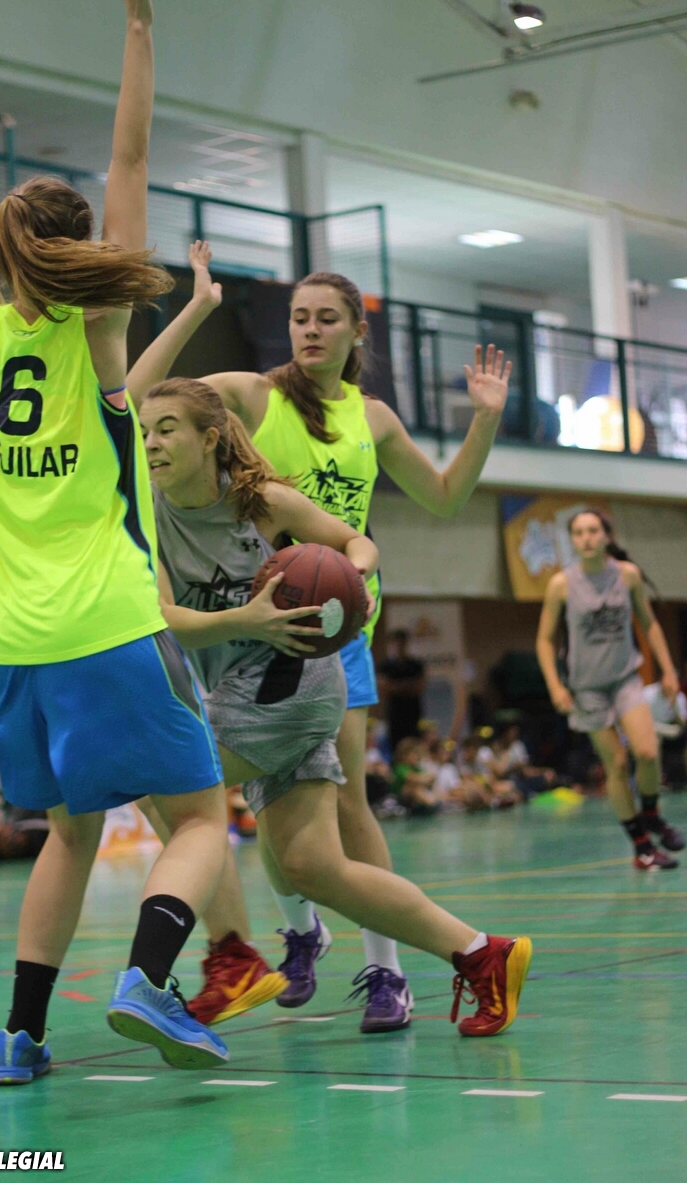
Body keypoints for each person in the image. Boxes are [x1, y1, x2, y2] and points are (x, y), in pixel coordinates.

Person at [0, 0, 232, 1080]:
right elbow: (129, 160)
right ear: (83, 250)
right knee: (201, 818)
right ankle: (147, 976)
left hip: (10, 643)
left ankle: (19, 1036)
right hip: (104, 620)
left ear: (3, 257)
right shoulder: (99, 325)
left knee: (70, 833)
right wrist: (139, 31)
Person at [125, 243, 514, 1031]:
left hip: (325, 634)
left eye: (324, 318)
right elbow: (139, 400)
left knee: (201, 787)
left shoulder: (370, 420)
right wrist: (197, 307)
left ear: (355, 331)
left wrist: (484, 420)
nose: (308, 329)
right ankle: (472, 951)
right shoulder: (254, 397)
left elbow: (442, 499)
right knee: (308, 859)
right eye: (298, 317)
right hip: (256, 642)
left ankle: (289, 962)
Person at [536, 508, 684, 870]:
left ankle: (652, 815)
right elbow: (544, 640)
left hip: (625, 679)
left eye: (593, 530)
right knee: (616, 764)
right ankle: (642, 847)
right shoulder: (561, 584)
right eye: (578, 532)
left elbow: (649, 624)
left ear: (606, 536)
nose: (586, 538)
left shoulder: (627, 575)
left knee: (647, 752)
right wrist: (555, 685)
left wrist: (668, 671)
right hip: (586, 689)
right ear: (572, 541)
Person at [378, 630, 426, 750]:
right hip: (395, 714)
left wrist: (396, 686)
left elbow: (420, 686)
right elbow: (383, 687)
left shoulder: (416, 665)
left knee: (414, 745)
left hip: (413, 713)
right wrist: (407, 685)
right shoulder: (386, 666)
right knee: (396, 747)